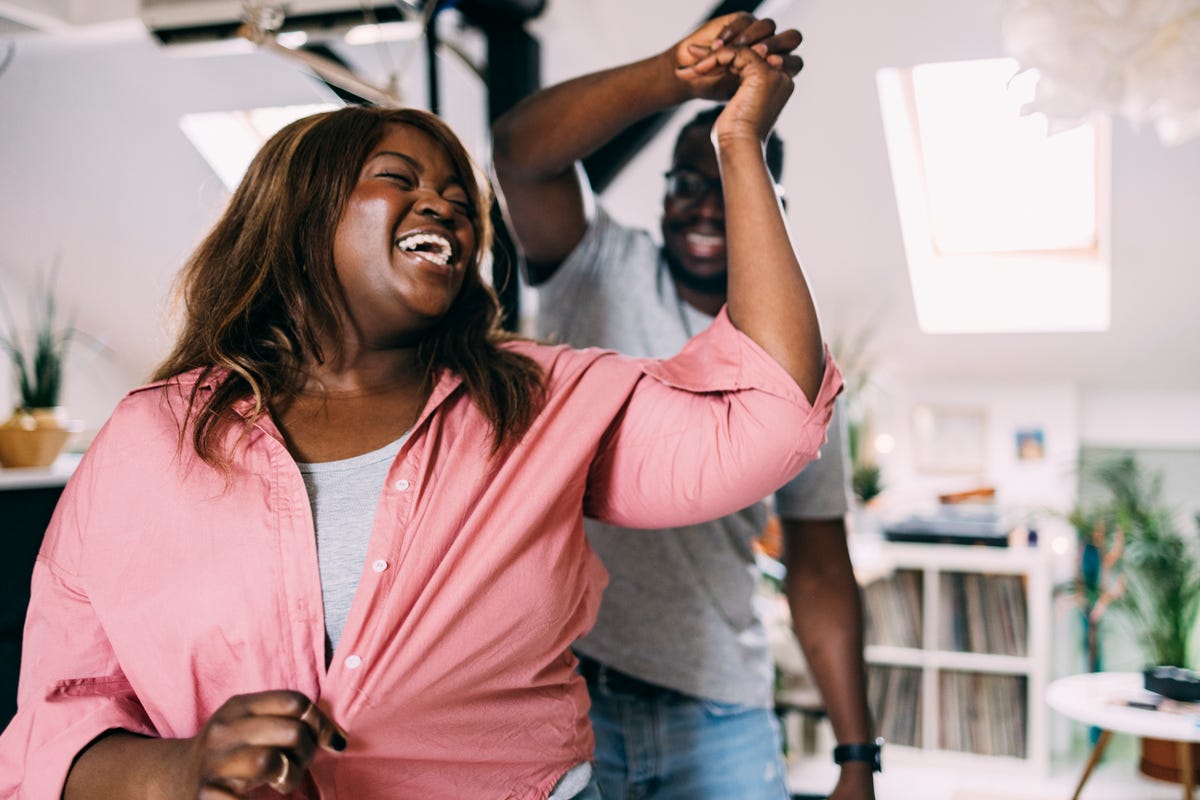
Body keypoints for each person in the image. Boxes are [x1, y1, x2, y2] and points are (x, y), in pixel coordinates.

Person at [0, 55, 840, 800]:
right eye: (399, 177)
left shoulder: (543, 401)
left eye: (456, 196)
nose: (444, 202)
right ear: (298, 215)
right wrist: (181, 772)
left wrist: (741, 144)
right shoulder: (151, 441)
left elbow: (771, 412)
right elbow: (53, 723)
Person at [492, 12, 876, 800]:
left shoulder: (796, 360)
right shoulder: (600, 267)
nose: (703, 205)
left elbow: (819, 566)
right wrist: (673, 74)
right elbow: (520, 156)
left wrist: (855, 756)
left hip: (719, 704)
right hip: (565, 685)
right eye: (684, 183)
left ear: (769, 202)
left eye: (725, 183)